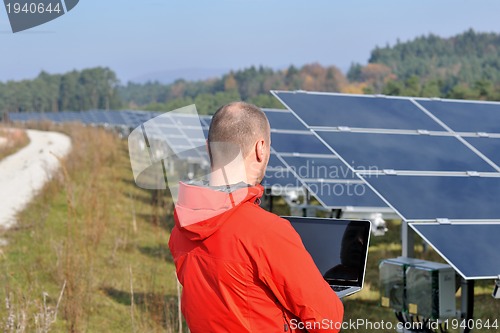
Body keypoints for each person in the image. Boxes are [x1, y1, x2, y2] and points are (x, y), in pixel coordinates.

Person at [168, 102, 344, 332]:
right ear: (261, 148)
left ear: (208, 148)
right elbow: (327, 321)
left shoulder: (183, 226)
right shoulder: (267, 232)